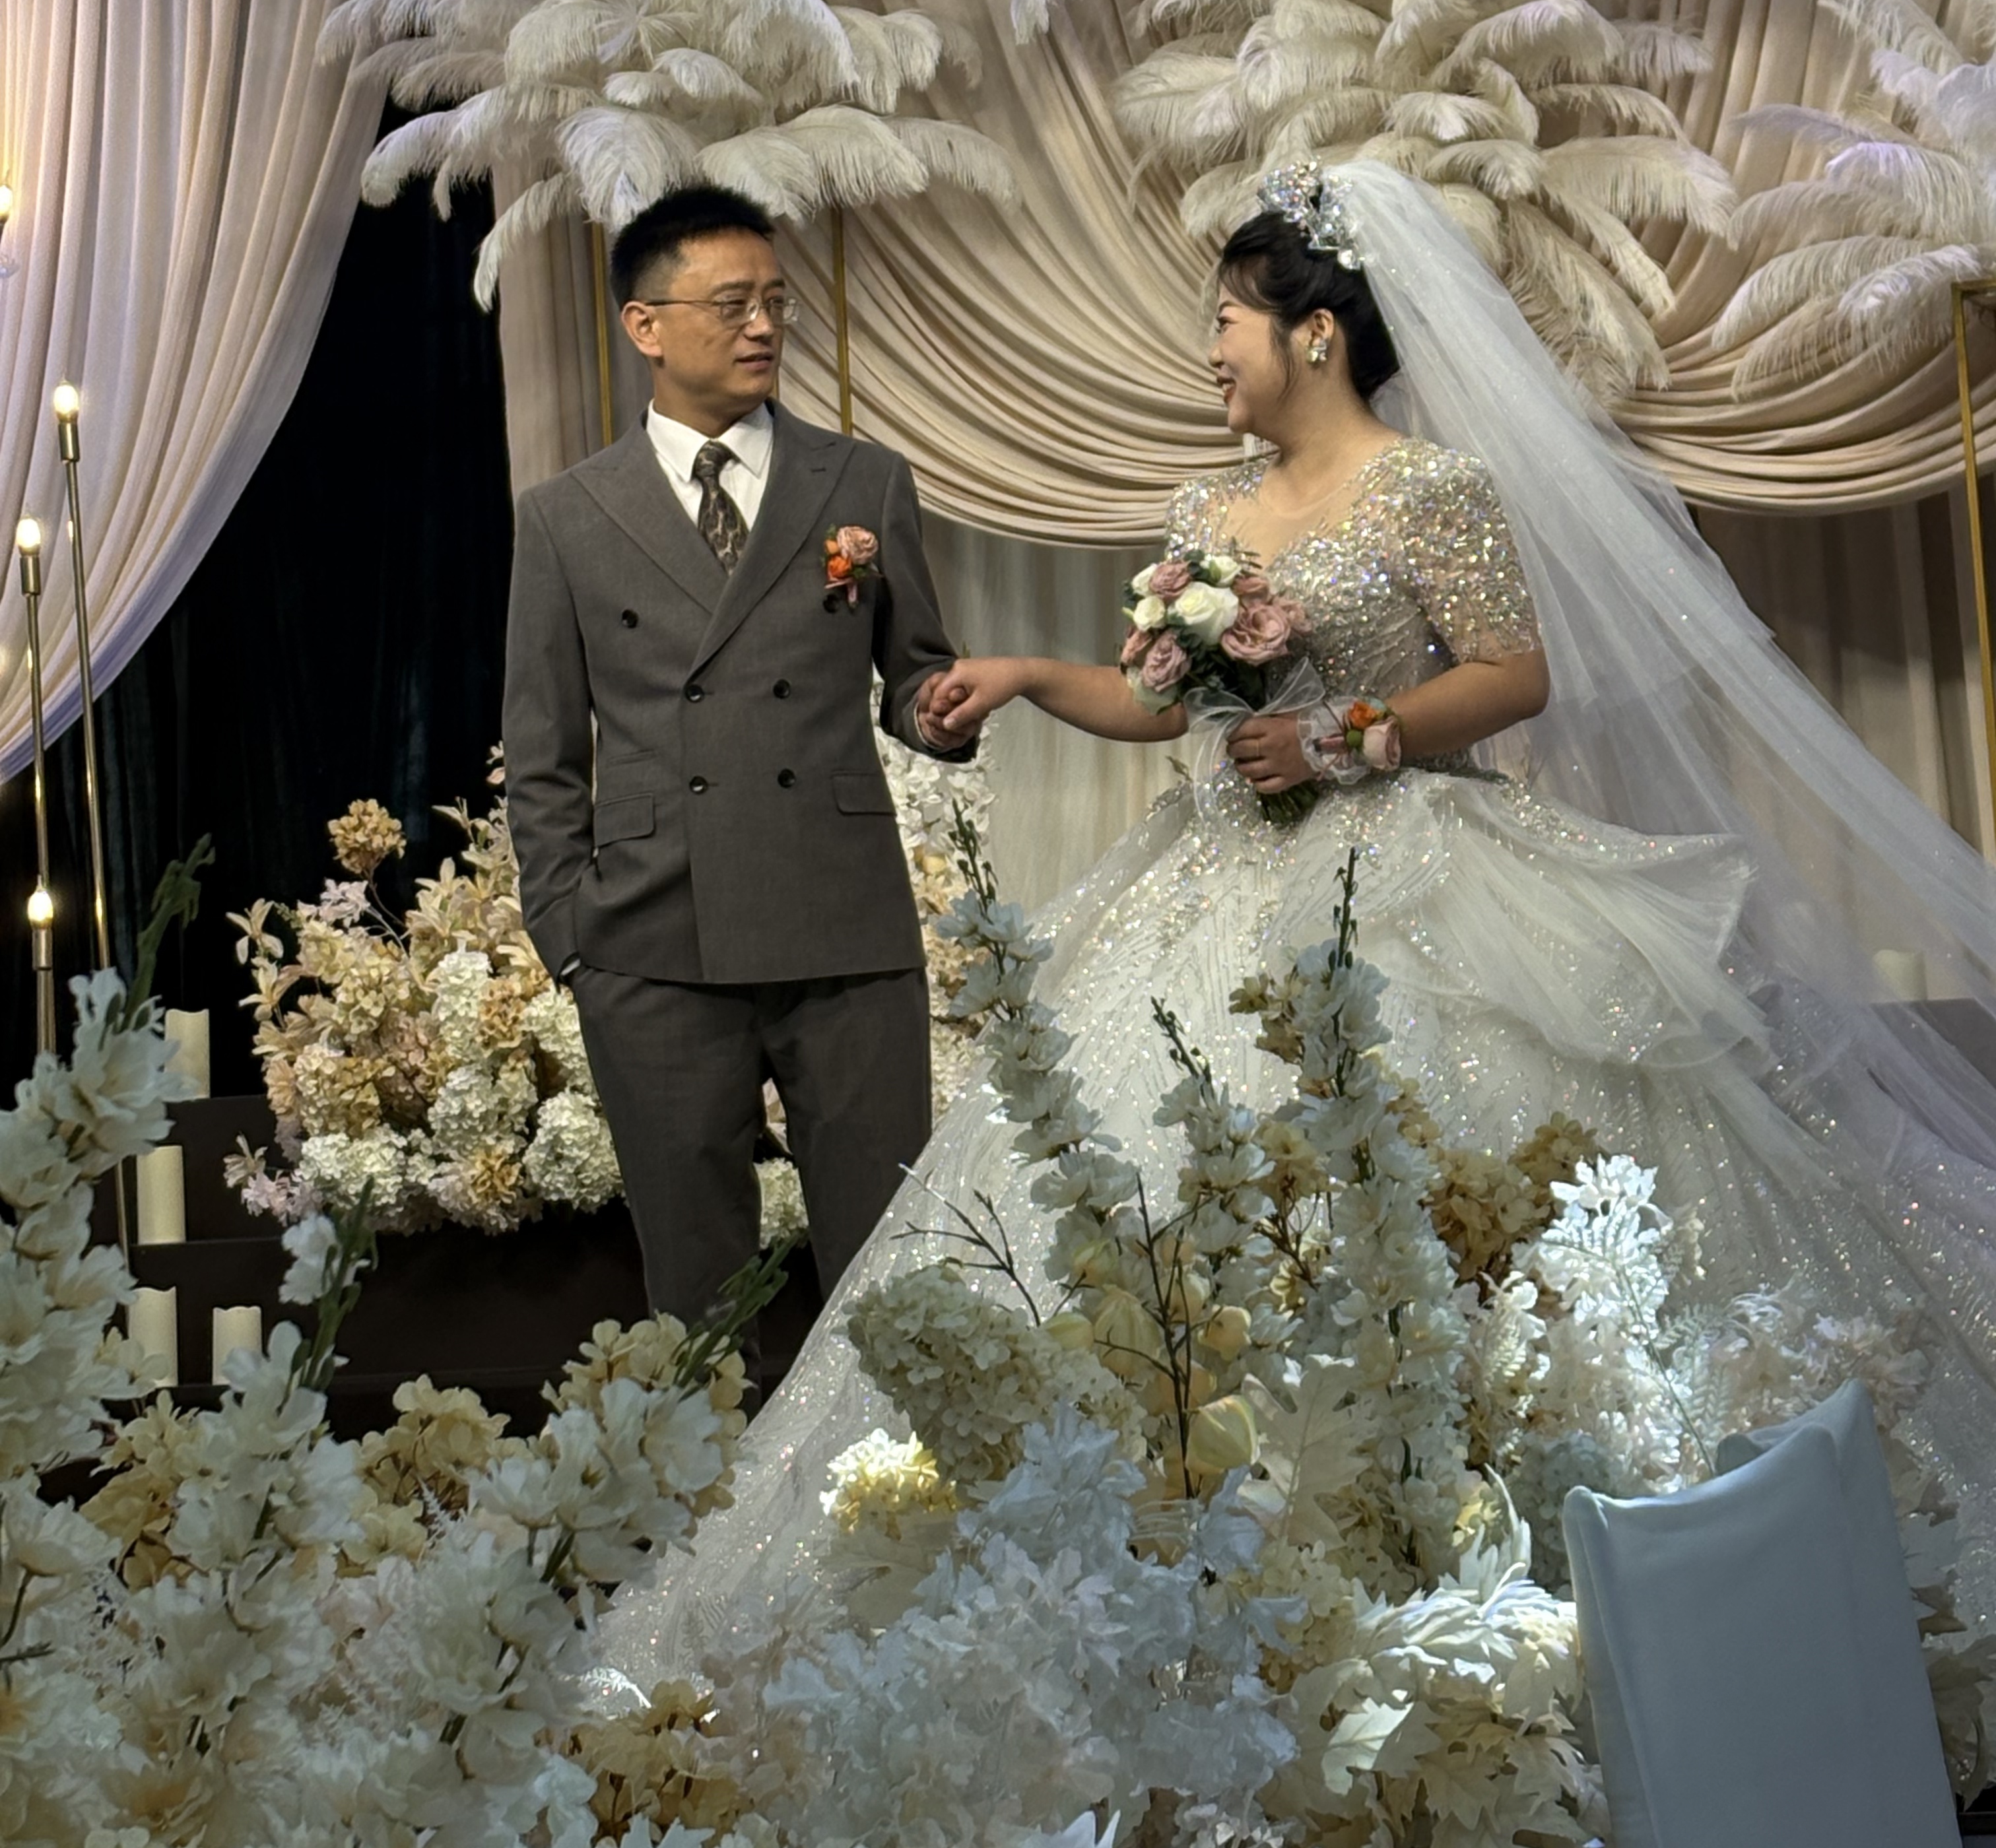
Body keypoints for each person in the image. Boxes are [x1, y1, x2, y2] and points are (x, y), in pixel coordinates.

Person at [590, 158, 1996, 1684]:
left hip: (1417, 871)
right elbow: (1160, 702)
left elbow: (1514, 672)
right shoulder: (1210, 508)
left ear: (1314, 335)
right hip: (1215, 878)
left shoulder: (1429, 489)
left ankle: (1509, 1557)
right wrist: (1027, 678)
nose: (1211, 351)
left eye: (1227, 321)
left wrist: (1349, 735)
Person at [503, 185, 972, 1360]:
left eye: (776, 301)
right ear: (646, 325)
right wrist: (570, 933)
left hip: (843, 921)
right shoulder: (565, 516)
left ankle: (892, 1477)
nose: (763, 325)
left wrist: (940, 709)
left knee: (889, 1279)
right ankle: (716, 1484)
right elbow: (544, 751)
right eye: (731, 304)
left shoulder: (863, 482)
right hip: (651, 938)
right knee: (698, 1300)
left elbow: (915, 673)